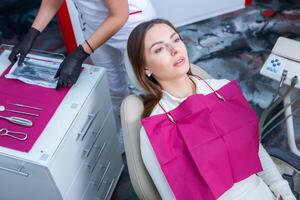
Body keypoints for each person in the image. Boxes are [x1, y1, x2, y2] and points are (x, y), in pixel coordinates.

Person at [127, 19, 296, 200]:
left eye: (175, 40)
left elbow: (256, 152)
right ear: (145, 68)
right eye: (159, 49)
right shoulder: (156, 130)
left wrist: (284, 193)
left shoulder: (223, 91)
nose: (174, 50)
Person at [8, 0, 156, 118]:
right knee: (113, 86)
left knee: (150, 80)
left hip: (130, 23)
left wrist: (79, 54)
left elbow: (119, 16)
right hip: (95, 26)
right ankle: (126, 129)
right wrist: (32, 34)